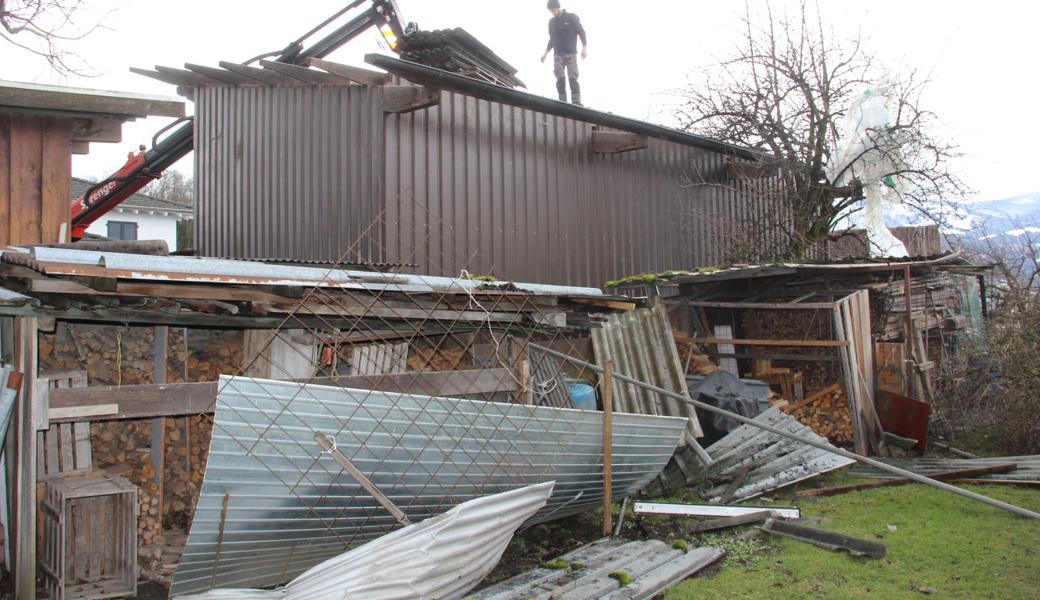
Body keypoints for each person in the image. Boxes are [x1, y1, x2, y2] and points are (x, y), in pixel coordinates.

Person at [540, 0, 587, 106]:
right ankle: (562, 102)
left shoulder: (571, 17)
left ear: (558, 7)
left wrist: (584, 47)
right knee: (560, 79)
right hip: (558, 54)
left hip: (571, 53)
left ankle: (576, 102)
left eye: (553, 10)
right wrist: (545, 54)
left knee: (573, 78)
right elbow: (551, 39)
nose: (552, 12)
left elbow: (581, 32)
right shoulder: (551, 22)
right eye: (550, 11)